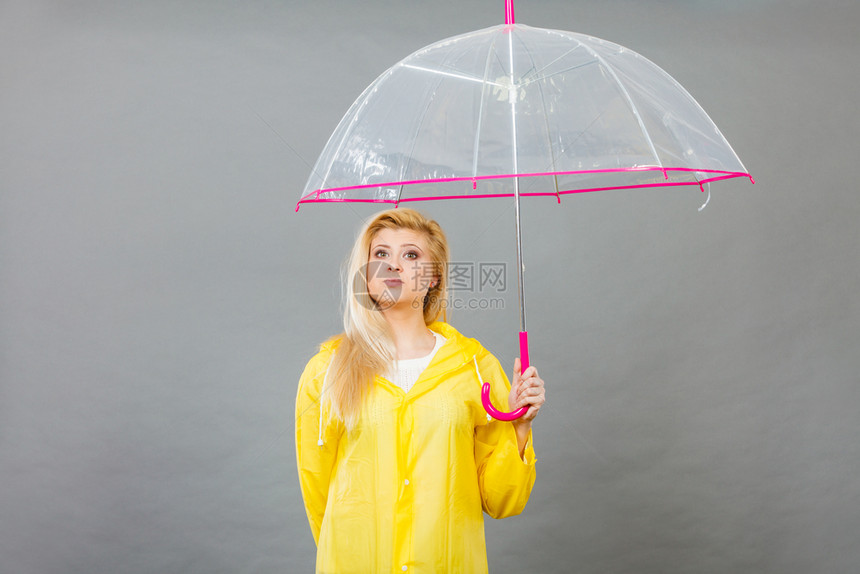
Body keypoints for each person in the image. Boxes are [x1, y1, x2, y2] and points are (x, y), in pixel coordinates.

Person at [295, 207, 545, 573]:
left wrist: (520, 427)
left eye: (410, 255)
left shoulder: (474, 367)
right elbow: (317, 491)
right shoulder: (326, 371)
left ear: (433, 278)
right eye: (380, 254)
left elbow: (502, 501)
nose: (393, 265)